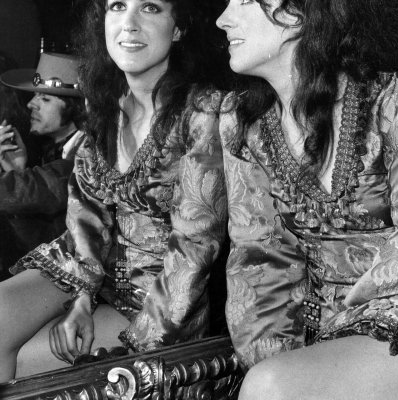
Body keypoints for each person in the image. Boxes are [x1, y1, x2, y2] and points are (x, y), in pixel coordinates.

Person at [216, 0, 398, 399]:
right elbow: (260, 262)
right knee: (267, 379)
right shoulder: (241, 122)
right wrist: (277, 356)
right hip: (334, 334)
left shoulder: (393, 96)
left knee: (271, 387)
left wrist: (317, 351)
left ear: (300, 12)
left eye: (244, 1)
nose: (223, 19)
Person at [0, 0, 227, 381]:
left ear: (179, 27)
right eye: (117, 6)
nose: (129, 23)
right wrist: (82, 296)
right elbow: (86, 217)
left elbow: (195, 247)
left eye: (150, 8)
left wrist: (146, 334)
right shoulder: (107, 107)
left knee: (29, 360)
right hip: (86, 271)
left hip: (161, 299)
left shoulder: (204, 113)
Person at [0, 52, 86, 280]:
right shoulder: (54, 150)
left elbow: (43, 186)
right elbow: (41, 241)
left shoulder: (86, 156)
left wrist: (18, 178)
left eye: (45, 99)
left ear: (76, 108)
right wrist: (17, 170)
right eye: (34, 96)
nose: (31, 104)